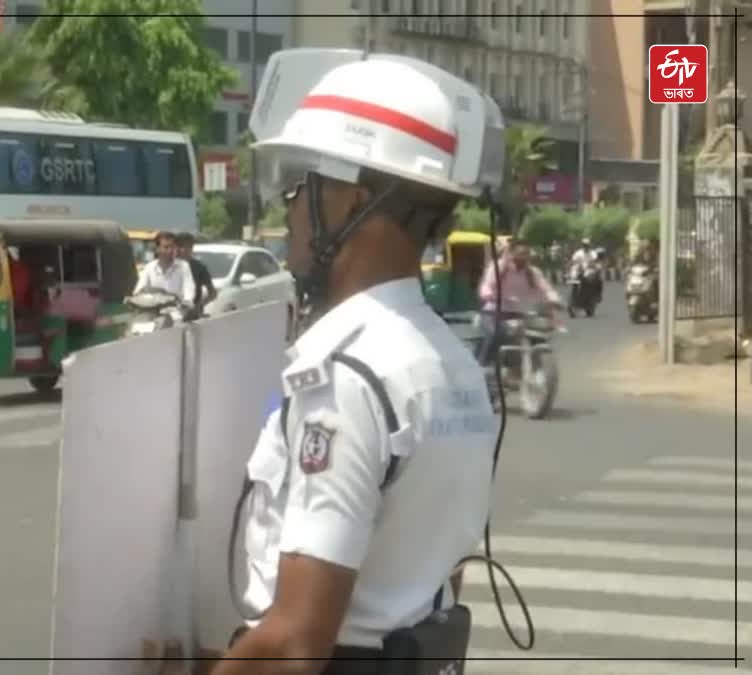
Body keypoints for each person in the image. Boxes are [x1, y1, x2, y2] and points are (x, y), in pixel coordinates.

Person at [215, 56, 500, 675]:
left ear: (353, 200)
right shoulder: (453, 367)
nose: (290, 209)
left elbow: (295, 644)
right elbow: (443, 573)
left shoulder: (349, 374)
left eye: (304, 184)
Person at [476, 238, 561, 367]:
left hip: (520, 315)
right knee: (495, 334)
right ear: (510, 253)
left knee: (538, 335)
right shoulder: (498, 268)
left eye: (526, 254)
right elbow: (486, 286)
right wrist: (488, 295)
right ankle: (481, 366)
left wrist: (554, 300)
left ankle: (527, 366)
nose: (523, 257)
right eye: (520, 254)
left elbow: (546, 289)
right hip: (494, 313)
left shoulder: (532, 273)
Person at [132, 231, 196, 311]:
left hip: (176, 313)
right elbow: (138, 292)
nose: (171, 250)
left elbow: (189, 289)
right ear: (157, 249)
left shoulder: (183, 266)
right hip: (153, 312)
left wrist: (187, 302)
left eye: (173, 247)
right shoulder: (149, 267)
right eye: (166, 247)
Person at [176, 232, 217, 318]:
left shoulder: (199, 267)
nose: (184, 250)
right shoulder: (169, 266)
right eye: (180, 246)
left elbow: (212, 293)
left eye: (188, 246)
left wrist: (199, 305)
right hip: (172, 314)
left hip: (193, 316)